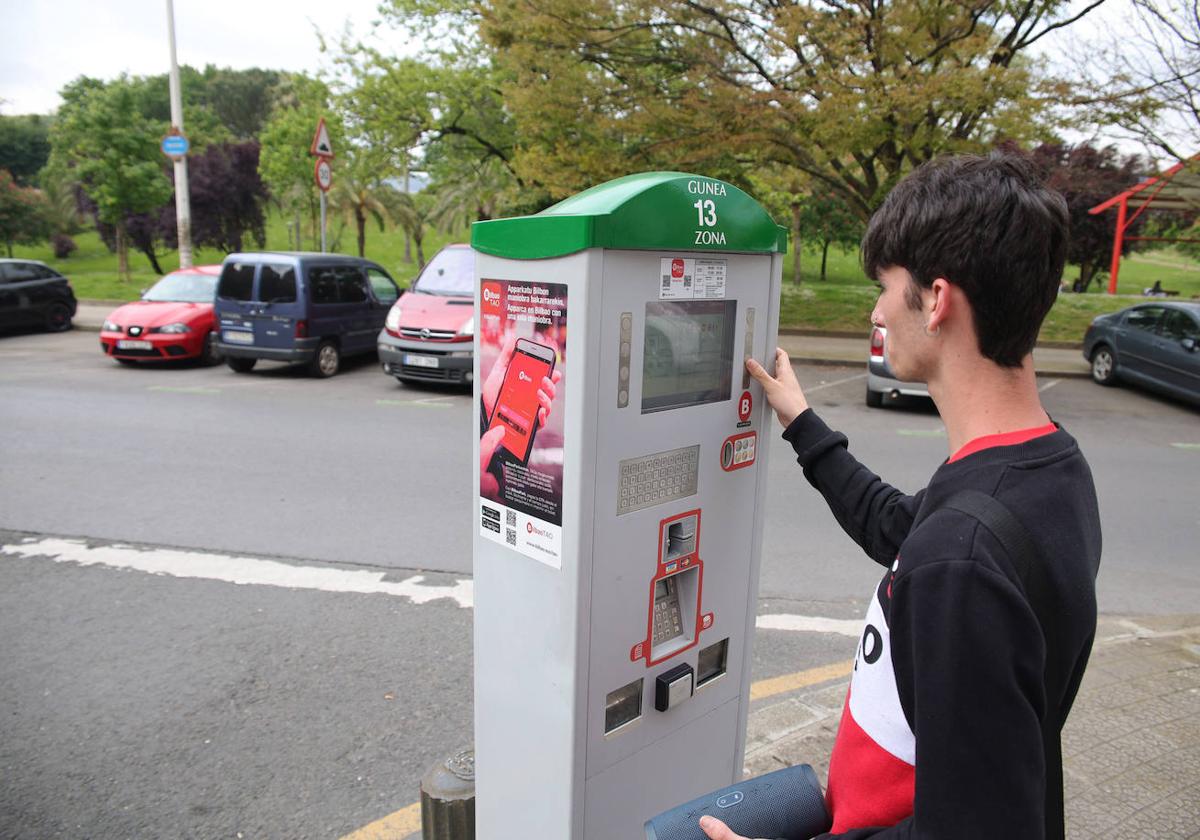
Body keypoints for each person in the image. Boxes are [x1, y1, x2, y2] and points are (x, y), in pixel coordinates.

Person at [701, 153, 1102, 840]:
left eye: (886, 286)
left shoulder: (964, 561)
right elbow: (903, 530)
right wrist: (803, 424)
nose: (877, 308)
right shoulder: (1048, 468)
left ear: (937, 299)